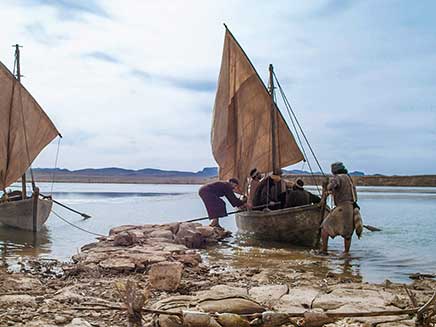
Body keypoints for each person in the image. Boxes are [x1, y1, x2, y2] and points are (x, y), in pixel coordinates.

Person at [320, 162, 357, 254]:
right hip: (350, 208)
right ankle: (346, 253)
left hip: (342, 207)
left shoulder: (338, 177)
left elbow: (331, 186)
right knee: (347, 233)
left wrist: (326, 187)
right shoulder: (349, 178)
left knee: (324, 227)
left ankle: (324, 251)